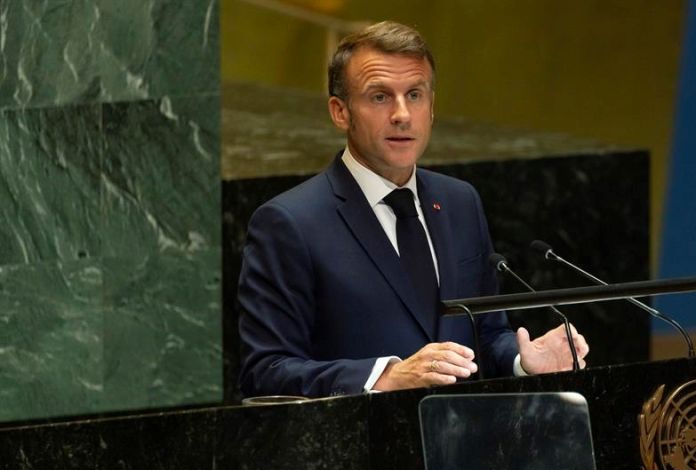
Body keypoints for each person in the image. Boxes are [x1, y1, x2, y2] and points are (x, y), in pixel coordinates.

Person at [238, 21, 588, 398]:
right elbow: (267, 371)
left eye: (415, 95)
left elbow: (485, 333)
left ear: (432, 108)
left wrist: (523, 362)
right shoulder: (289, 222)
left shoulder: (460, 202)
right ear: (340, 112)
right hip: (361, 447)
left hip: (460, 444)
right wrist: (383, 377)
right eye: (380, 97)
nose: (402, 114)